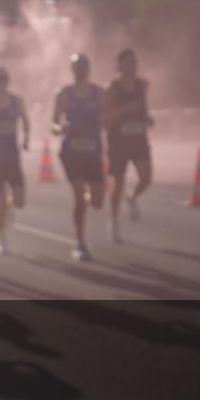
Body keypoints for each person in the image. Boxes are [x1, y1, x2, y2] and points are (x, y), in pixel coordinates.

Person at [52, 54, 106, 261]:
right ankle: (80, 243)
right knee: (78, 196)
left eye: (84, 66)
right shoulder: (64, 94)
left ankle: (86, 198)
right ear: (72, 70)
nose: (81, 70)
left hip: (93, 151)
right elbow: (53, 124)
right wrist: (60, 127)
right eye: (78, 66)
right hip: (71, 152)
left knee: (98, 201)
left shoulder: (98, 93)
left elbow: (109, 118)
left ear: (89, 69)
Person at [104, 49, 153, 243]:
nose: (133, 66)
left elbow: (144, 106)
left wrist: (147, 118)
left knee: (146, 178)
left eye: (135, 62)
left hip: (139, 138)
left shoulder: (142, 85)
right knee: (118, 185)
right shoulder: (112, 88)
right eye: (129, 63)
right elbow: (107, 116)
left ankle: (132, 197)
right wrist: (126, 109)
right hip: (118, 140)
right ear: (120, 66)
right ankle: (114, 221)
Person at [0, 67, 30, 255]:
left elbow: (25, 120)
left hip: (12, 156)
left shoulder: (16, 101)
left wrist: (26, 137)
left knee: (19, 201)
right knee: (1, 202)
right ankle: (1, 239)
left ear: (7, 81)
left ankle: (7, 210)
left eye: (4, 79)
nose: (1, 83)